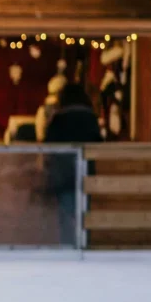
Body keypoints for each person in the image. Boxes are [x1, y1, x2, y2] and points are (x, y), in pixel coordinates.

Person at [44, 82, 102, 246]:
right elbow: (98, 144)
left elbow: (48, 145)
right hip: (86, 176)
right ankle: (84, 245)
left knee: (66, 217)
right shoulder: (91, 118)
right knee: (84, 214)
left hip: (63, 176)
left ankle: (68, 248)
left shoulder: (59, 119)